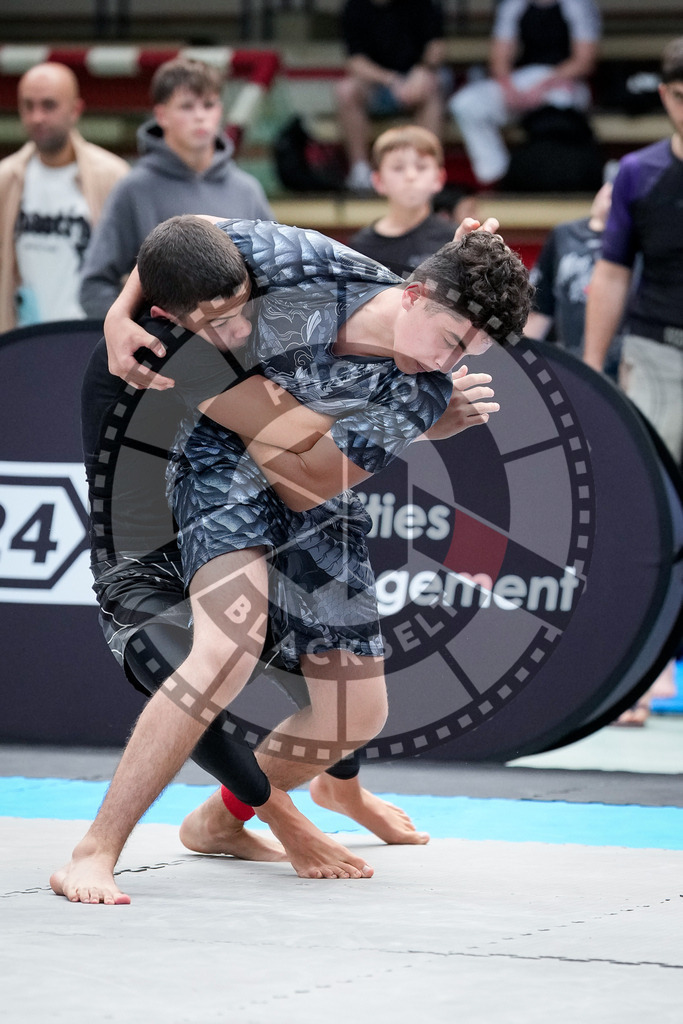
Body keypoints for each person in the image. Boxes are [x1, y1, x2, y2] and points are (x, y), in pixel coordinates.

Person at [51, 214, 530, 904]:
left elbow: (305, 483)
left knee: (355, 712)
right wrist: (120, 315)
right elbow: (185, 236)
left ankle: (220, 820)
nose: (450, 365)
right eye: (453, 340)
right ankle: (94, 850)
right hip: (216, 455)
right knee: (226, 648)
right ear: (416, 293)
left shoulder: (422, 390)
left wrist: (332, 431)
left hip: (302, 480)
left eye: (471, 353)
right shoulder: (305, 266)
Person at [583, 37, 683, 726]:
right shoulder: (638, 173)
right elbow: (611, 273)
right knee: (652, 517)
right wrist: (591, 371)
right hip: (656, 355)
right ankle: (642, 674)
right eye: (680, 92)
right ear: (665, 96)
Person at [79, 57, 273, 319]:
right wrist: (136, 329)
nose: (200, 116)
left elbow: (277, 275)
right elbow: (94, 286)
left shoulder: (247, 190)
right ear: (161, 115)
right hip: (162, 353)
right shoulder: (134, 188)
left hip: (240, 346)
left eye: (208, 104)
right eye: (186, 106)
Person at [0, 62, 129, 332]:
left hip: (90, 336)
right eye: (28, 106)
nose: (37, 117)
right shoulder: (6, 179)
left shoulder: (113, 177)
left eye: (48, 105)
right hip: (23, 337)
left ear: (75, 110)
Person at [449, 0, 601, 187]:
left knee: (561, 104)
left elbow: (584, 62)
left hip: (564, 80)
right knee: (466, 104)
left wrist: (542, 86)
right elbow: (499, 58)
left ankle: (554, 177)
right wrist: (509, 89)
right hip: (523, 80)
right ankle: (496, 178)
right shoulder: (514, 5)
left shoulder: (577, 5)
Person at [335, 0, 446, 193]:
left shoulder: (422, 4)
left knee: (431, 86)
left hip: (417, 80)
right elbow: (355, 62)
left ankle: (428, 168)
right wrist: (391, 80)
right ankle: (360, 173)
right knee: (345, 90)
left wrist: (422, 69)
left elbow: (436, 46)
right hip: (379, 85)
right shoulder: (354, 7)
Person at [524, 178, 622, 377]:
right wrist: (518, 361)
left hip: (622, 363)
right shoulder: (564, 235)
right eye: (611, 188)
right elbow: (541, 308)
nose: (612, 197)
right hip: (569, 361)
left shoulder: (640, 242)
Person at [348, 125, 456, 278]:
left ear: (439, 178)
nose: (411, 176)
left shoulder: (453, 239)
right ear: (378, 181)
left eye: (421, 167)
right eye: (398, 168)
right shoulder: (361, 247)